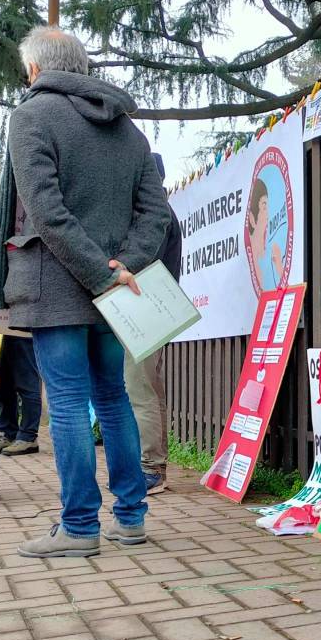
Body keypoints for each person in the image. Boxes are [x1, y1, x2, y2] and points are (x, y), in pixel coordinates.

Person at [0, 26, 171, 558]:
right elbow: (155, 214)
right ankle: (132, 517)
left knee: (66, 403)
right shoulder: (129, 131)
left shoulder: (31, 115)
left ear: (37, 70)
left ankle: (80, 527)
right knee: (112, 396)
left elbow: (44, 211)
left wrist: (99, 272)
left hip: (54, 286)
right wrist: (121, 269)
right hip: (117, 292)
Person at [124, 152, 181, 495]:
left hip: (148, 311)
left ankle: (151, 468)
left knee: (139, 387)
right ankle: (154, 462)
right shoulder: (160, 213)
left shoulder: (155, 217)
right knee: (148, 387)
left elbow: (140, 264)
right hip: (151, 311)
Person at [0, 335, 43, 456]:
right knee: (3, 387)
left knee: (27, 385)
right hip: (4, 331)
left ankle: (28, 437)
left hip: (23, 331)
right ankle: (8, 434)